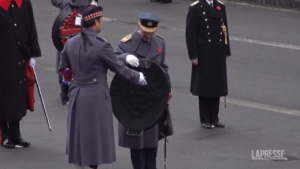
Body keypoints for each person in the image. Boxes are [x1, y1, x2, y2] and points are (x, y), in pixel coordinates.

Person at [58, 4, 147, 169]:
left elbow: (63, 69)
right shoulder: (101, 45)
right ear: (96, 22)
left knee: (79, 140)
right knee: (93, 144)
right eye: (101, 20)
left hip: (76, 95)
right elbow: (118, 68)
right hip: (95, 98)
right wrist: (137, 77)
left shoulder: (71, 42)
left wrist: (66, 93)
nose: (102, 23)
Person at [115, 12, 173, 169]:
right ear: (138, 27)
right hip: (134, 102)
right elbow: (113, 58)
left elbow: (163, 69)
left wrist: (168, 88)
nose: (149, 36)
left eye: (151, 33)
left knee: (151, 145)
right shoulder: (126, 43)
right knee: (137, 145)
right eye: (146, 33)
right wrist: (125, 57)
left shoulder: (159, 43)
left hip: (152, 101)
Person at [0, 0, 42, 148]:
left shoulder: (24, 3)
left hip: (20, 55)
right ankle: (4, 134)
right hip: (3, 56)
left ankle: (15, 133)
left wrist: (33, 53)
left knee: (18, 95)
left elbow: (31, 26)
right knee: (4, 95)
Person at [185, 0, 231, 129]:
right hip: (203, 52)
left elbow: (225, 30)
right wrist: (193, 55)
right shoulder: (195, 8)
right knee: (205, 86)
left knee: (217, 85)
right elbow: (190, 33)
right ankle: (205, 118)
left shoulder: (220, 6)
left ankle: (214, 118)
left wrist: (226, 50)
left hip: (218, 51)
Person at [51, 0, 98, 105]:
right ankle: (65, 92)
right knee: (65, 56)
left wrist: (93, 3)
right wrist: (67, 4)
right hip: (68, 19)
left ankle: (83, 90)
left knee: (85, 55)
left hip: (86, 18)